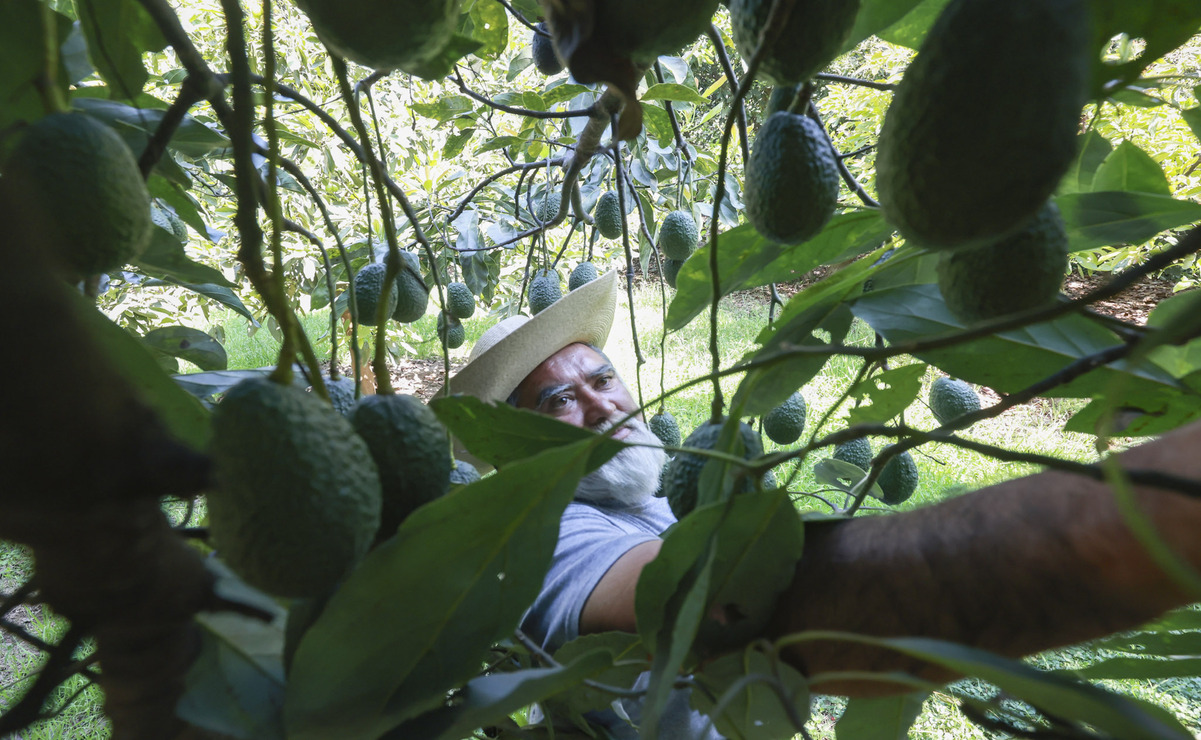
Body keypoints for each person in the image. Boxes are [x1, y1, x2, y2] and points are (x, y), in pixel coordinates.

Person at [442, 269, 1201, 735]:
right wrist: (1123, 525)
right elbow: (712, 600)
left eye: (601, 378)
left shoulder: (651, 484)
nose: (600, 406)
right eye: (555, 403)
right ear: (510, 441)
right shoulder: (535, 539)